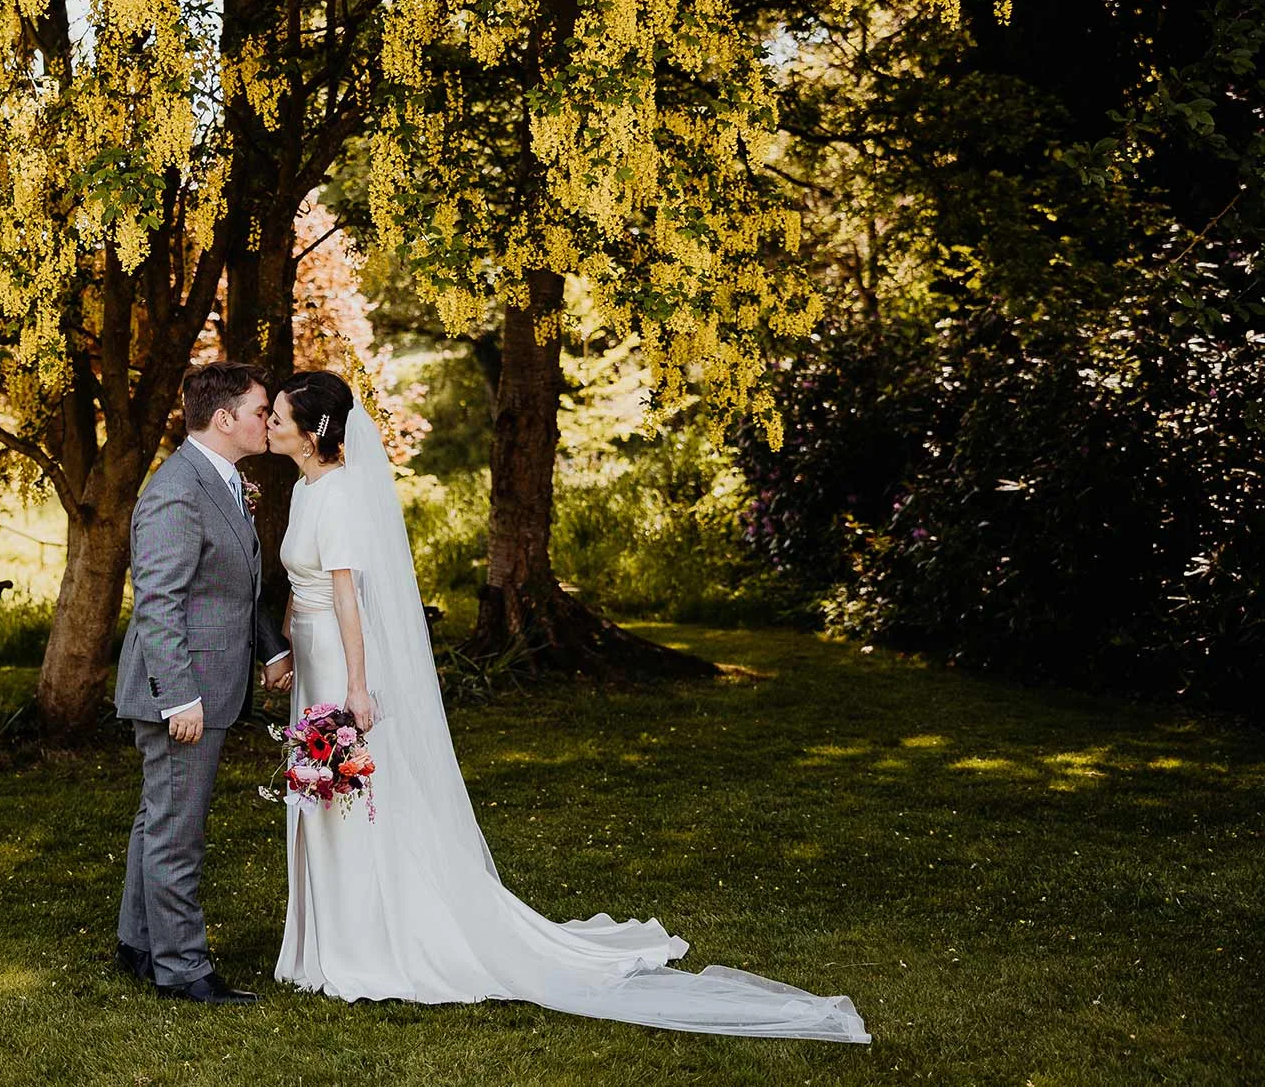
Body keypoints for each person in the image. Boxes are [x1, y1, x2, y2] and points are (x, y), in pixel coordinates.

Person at [262, 368, 870, 1043]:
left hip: (342, 657)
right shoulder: (303, 487)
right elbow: (302, 581)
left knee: (354, 794)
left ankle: (371, 942)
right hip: (312, 656)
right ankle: (326, 938)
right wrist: (288, 647)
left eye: (278, 416)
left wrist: (356, 684)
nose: (268, 423)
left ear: (312, 431)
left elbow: (349, 596)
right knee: (319, 793)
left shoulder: (341, 495)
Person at [113, 361, 294, 1005]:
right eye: (259, 411)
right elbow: (157, 602)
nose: (267, 421)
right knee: (176, 832)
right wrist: (180, 697)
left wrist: (270, 649)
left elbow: (234, 585)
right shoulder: (176, 490)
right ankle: (184, 969)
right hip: (179, 693)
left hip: (207, 681)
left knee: (158, 819)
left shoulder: (221, 480)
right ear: (224, 420)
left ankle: (139, 943)